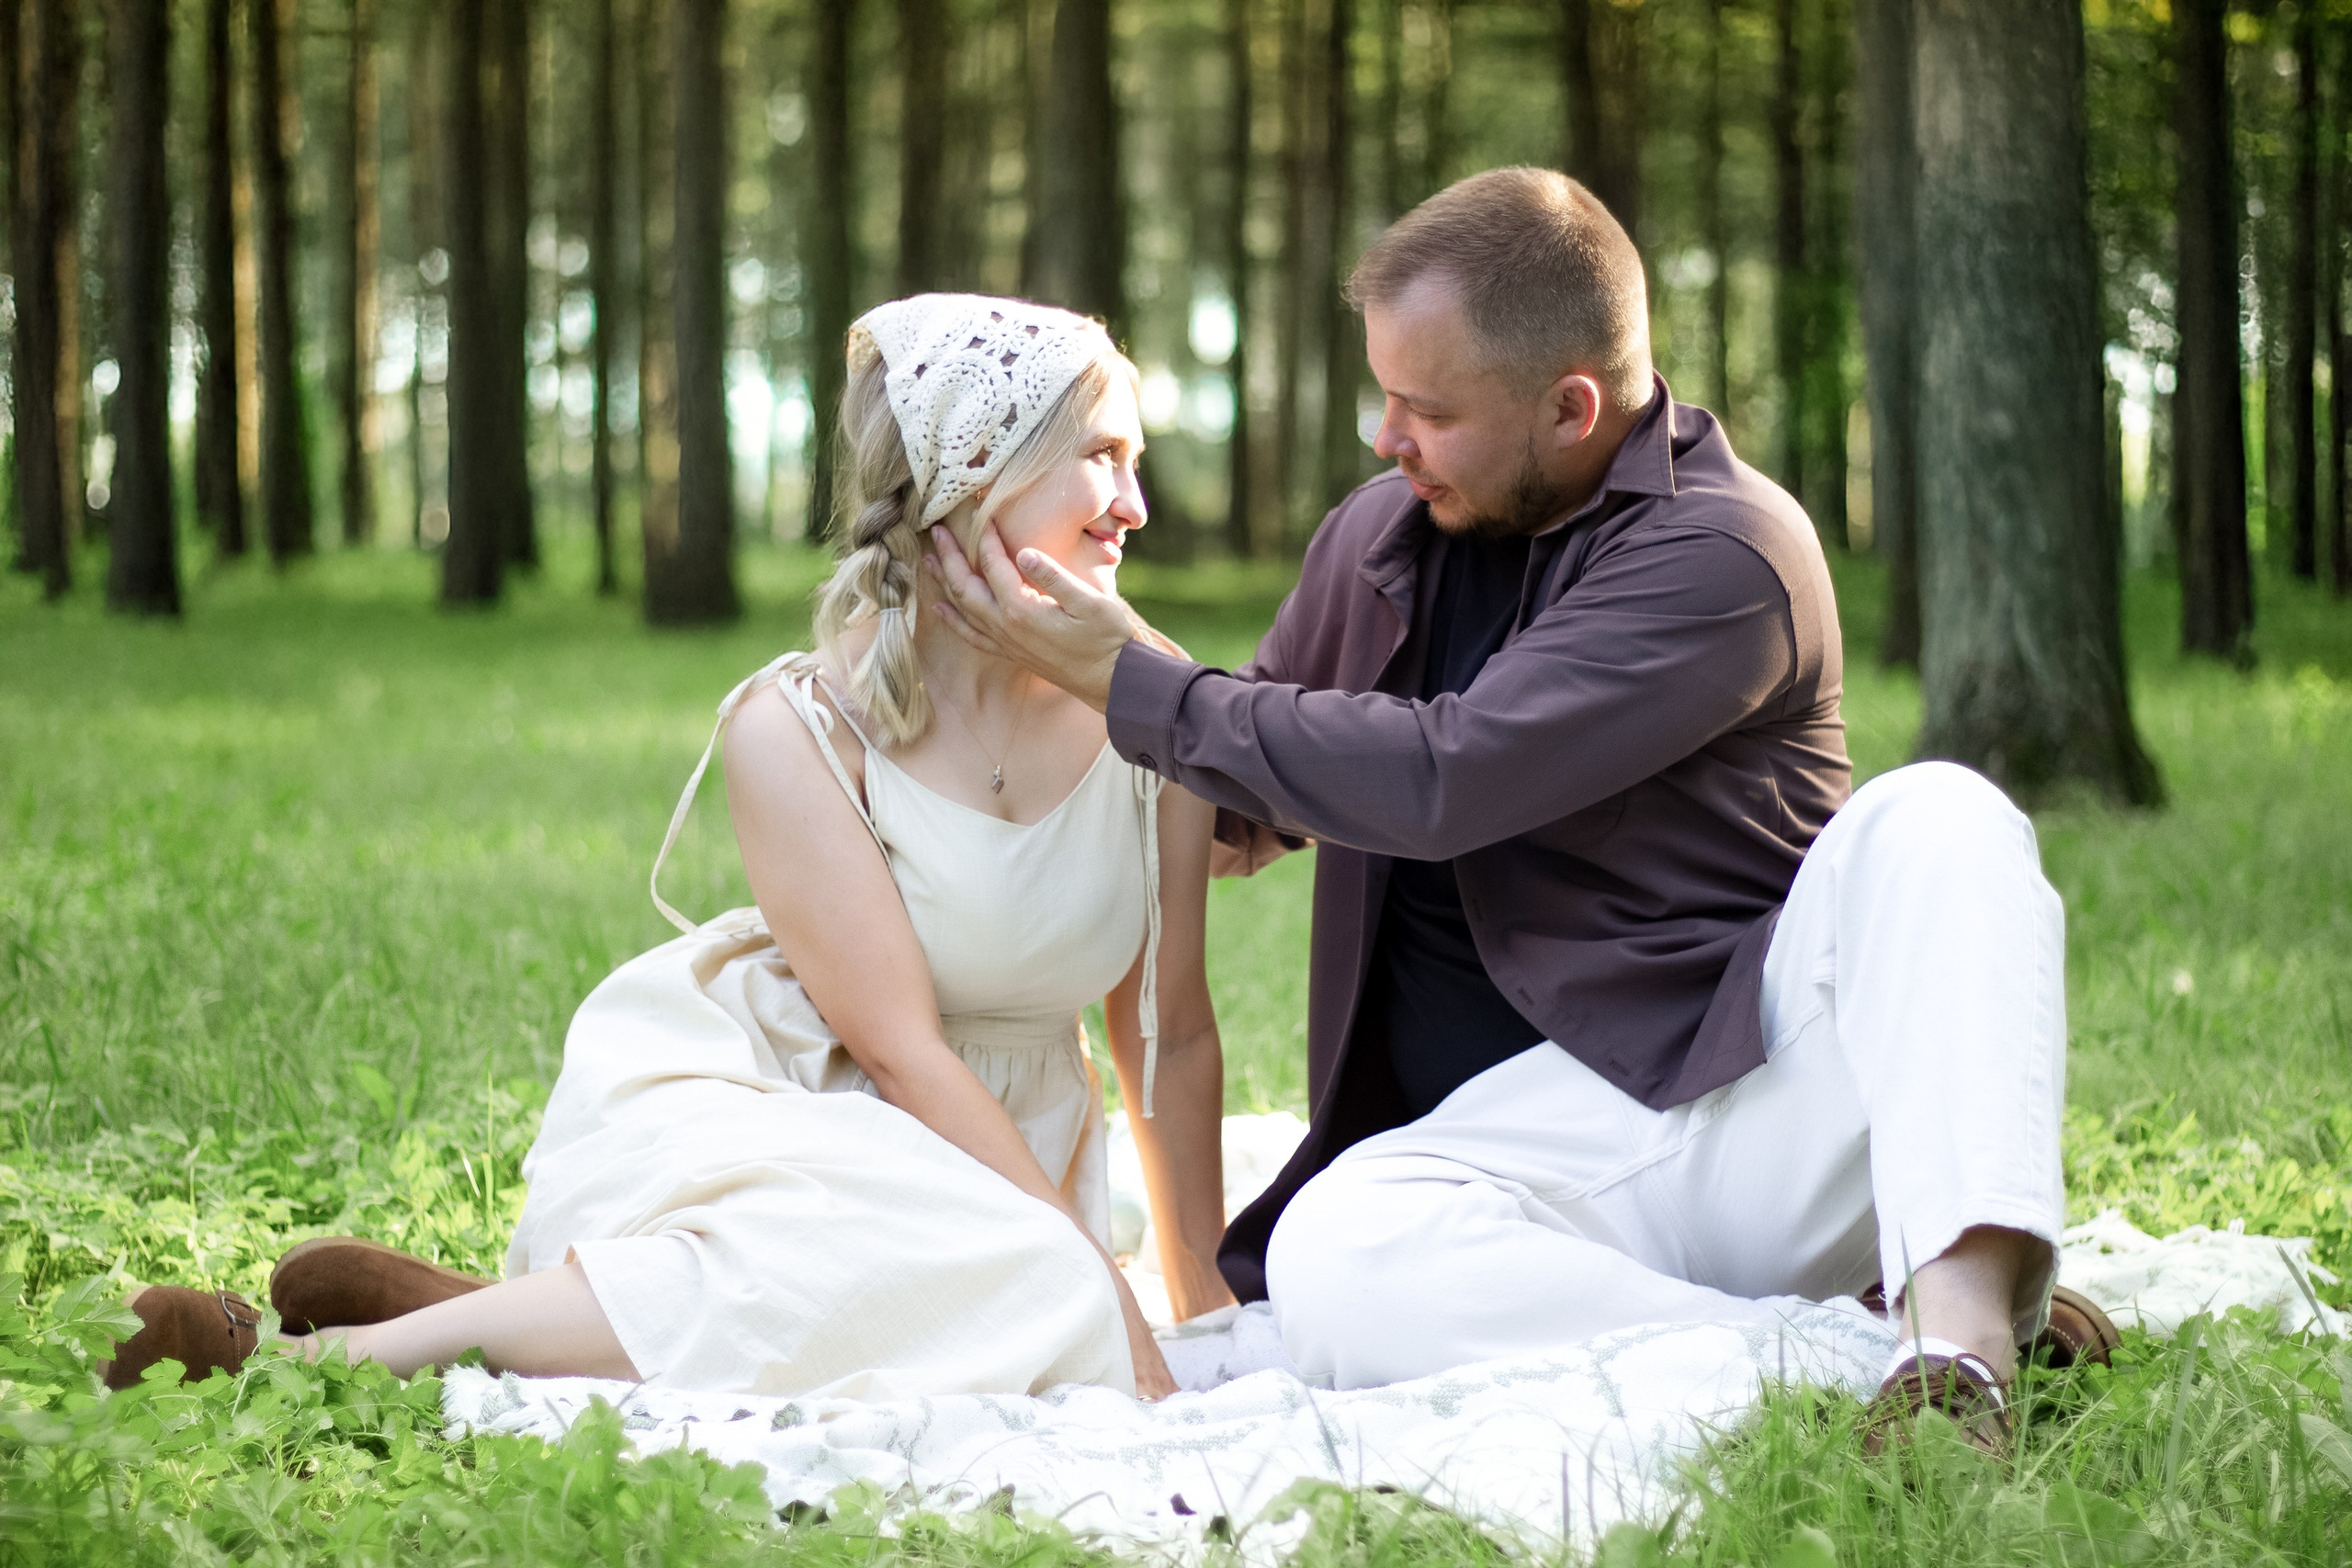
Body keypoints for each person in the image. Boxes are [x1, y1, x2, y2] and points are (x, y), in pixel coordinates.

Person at [926, 169, 2114, 1451]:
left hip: (1745, 1092)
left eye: (1426, 409)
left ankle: (1961, 1337)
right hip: (1518, 1164)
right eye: (1384, 395)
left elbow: (1448, 776)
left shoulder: (1723, 552)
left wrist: (1136, 682)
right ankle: (1837, 1358)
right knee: (1336, 1247)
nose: (1388, 436)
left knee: (1943, 814)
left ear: (1571, 406)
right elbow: (1238, 787)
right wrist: (980, 730)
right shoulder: (1381, 533)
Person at [100, 295, 1234, 1403]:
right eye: (1102, 456)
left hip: (1009, 1158)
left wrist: (1198, 1322)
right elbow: (900, 1057)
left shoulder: (1154, 704)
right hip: (810, 1099)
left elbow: (1168, 1036)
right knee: (972, 1272)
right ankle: (293, 1365)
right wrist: (1101, 1295)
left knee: (998, 1287)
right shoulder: (794, 728)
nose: (1136, 504)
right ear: (979, 462)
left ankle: (495, 1318)